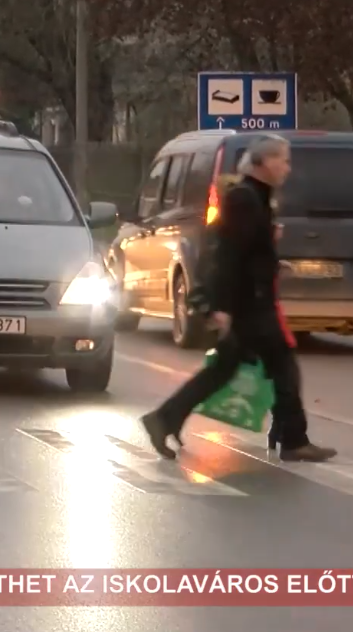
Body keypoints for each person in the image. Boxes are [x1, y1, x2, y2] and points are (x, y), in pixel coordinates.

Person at [139, 134, 336, 463]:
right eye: (283, 160)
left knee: (224, 371)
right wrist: (222, 307)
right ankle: (293, 440)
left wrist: (274, 262)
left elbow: (249, 251)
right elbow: (229, 255)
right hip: (248, 305)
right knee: (283, 366)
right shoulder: (244, 199)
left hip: (249, 301)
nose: (287, 168)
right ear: (263, 162)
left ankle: (165, 419)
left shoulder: (256, 197)